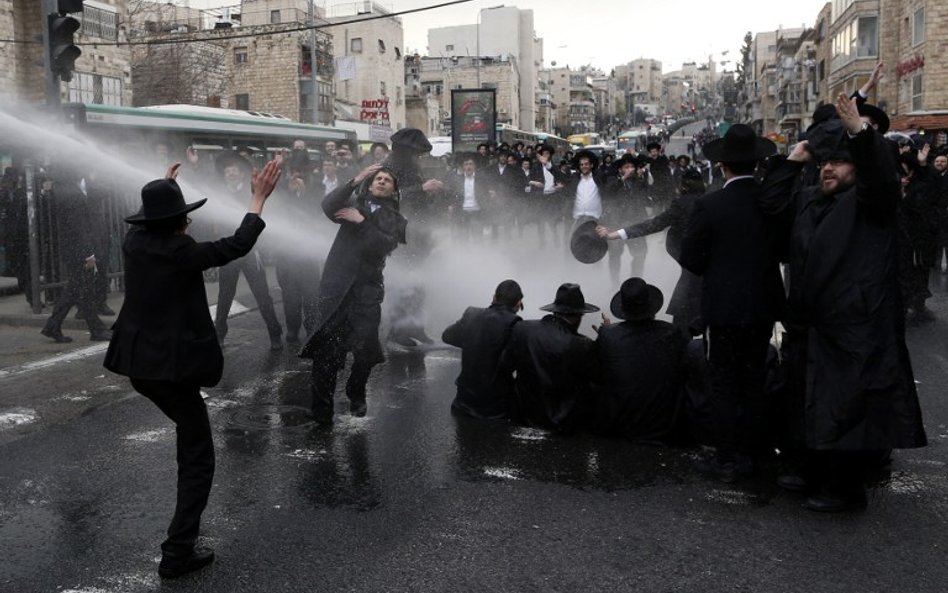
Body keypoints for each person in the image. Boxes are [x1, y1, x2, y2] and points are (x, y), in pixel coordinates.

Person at [104, 159, 282, 578]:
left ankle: (180, 545)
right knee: (197, 454)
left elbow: (155, 225)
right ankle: (178, 551)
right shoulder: (180, 251)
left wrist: (165, 190)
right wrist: (258, 198)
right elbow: (235, 246)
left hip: (139, 366)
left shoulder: (135, 243)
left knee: (190, 434)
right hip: (170, 368)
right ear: (180, 221)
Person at [759, 93, 927, 512]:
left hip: (852, 325)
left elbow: (881, 180)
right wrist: (796, 157)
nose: (828, 168)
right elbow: (770, 208)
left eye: (838, 161)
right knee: (804, 400)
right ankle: (805, 469)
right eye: (824, 162)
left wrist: (859, 134)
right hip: (809, 323)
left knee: (845, 407)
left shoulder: (872, 203)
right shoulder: (812, 199)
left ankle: (843, 488)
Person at [679, 123, 785, 483]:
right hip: (763, 306)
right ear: (757, 164)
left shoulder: (709, 204)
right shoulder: (771, 201)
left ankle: (725, 459)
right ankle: (752, 455)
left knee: (723, 382)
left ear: (722, 166)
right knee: (753, 379)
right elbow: (784, 250)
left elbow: (691, 260)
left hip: (723, 308)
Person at [299, 164, 407, 423]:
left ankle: (355, 390)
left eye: (387, 180)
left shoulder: (396, 220)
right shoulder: (352, 203)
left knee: (365, 351)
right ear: (369, 185)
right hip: (336, 290)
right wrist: (354, 180)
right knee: (326, 352)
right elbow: (327, 206)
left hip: (366, 293)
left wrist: (361, 222)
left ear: (393, 191)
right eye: (377, 178)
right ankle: (321, 411)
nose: (381, 182)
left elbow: (381, 245)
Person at [597, 167, 706, 333]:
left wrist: (615, 234)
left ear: (683, 187)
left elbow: (654, 224)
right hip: (714, 266)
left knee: (686, 310)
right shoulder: (712, 202)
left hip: (694, 267)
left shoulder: (682, 203)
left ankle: (684, 336)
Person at [592, 278, 688, 443]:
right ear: (651, 307)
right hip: (664, 428)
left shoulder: (608, 335)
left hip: (619, 428)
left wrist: (606, 333)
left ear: (623, 309)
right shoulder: (672, 333)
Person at [499, 283, 599, 434]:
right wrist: (604, 341)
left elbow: (504, 367)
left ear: (555, 311)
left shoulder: (522, 329)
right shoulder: (583, 345)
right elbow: (598, 382)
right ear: (580, 315)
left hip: (521, 416)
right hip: (562, 425)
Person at [212, 152, 284, 350]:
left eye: (234, 169)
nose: (231, 173)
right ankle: (219, 334)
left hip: (251, 251)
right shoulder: (219, 193)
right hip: (228, 250)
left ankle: (275, 333)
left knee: (262, 294)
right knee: (224, 296)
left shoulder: (252, 192)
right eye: (227, 170)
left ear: (241, 174)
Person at [40, 165, 111, 343]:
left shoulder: (62, 190)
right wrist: (88, 254)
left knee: (77, 289)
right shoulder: (73, 195)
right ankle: (95, 329)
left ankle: (54, 326)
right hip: (78, 250)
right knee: (81, 289)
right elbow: (79, 228)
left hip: (71, 249)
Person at [442, 279, 523, 419]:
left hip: (463, 402)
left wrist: (474, 342)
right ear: (518, 303)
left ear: (494, 297)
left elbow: (447, 336)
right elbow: (512, 362)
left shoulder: (472, 314)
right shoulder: (515, 323)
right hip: (496, 409)